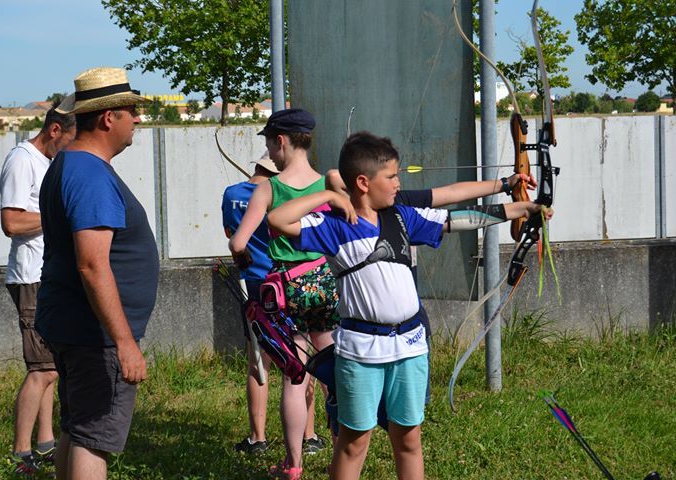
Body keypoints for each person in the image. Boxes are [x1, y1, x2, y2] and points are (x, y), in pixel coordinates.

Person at [267, 131, 551, 480]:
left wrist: (522, 209)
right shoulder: (337, 226)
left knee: (409, 438)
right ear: (363, 183)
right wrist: (328, 195)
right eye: (391, 176)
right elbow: (277, 219)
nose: (398, 183)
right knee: (354, 442)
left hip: (410, 346)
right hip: (361, 351)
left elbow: (458, 218)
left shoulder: (401, 217)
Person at [34, 67, 158, 480]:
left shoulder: (71, 164)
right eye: (131, 111)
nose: (137, 119)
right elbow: (91, 263)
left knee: (77, 428)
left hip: (76, 326)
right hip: (96, 335)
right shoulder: (89, 175)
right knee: (93, 439)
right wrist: (124, 342)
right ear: (108, 118)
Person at [228, 109, 334, 480]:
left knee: (295, 375)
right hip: (323, 280)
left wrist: (241, 256)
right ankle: (343, 455)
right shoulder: (328, 185)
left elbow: (238, 242)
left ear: (282, 141)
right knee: (334, 371)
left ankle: (293, 465)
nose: (270, 154)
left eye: (271, 145)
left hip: (286, 287)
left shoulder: (268, 189)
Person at [0, 107, 76, 476]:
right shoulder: (22, 160)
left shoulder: (47, 162)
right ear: (55, 129)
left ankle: (45, 443)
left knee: (52, 367)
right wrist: (59, 217)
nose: (72, 148)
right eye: (70, 140)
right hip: (30, 277)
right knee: (41, 369)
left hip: (47, 275)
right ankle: (21, 452)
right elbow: (12, 222)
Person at [221, 152, 278, 454]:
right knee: (299, 356)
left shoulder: (232, 194)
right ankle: (308, 437)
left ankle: (258, 437)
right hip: (284, 280)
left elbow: (230, 234)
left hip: (251, 281)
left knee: (258, 359)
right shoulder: (282, 194)